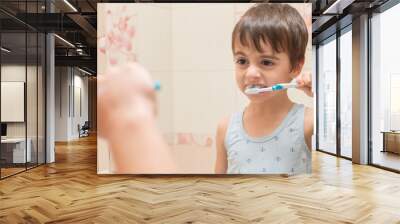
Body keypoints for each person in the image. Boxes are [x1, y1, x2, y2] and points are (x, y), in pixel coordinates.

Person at [214, 3, 313, 175]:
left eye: (266, 62)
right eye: (242, 61)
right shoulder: (226, 128)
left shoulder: (309, 124)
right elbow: (218, 192)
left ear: (296, 66)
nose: (251, 73)